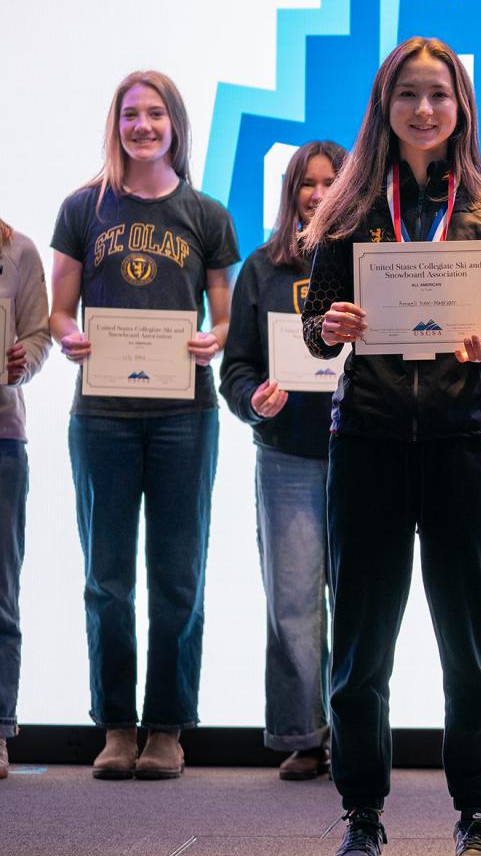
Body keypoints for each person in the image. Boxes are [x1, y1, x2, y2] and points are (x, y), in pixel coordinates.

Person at [299, 37, 481, 856]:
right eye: (410, 94)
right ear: (385, 105)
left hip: (462, 444)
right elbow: (315, 330)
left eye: (440, 95)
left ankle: (477, 816)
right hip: (364, 440)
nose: (426, 109)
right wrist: (331, 329)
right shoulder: (350, 210)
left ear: (462, 107)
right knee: (360, 643)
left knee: (470, 642)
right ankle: (361, 815)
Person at [49, 71, 239, 782]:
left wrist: (215, 339)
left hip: (184, 415)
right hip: (101, 416)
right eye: (131, 114)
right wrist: (69, 336)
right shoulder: (83, 208)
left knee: (178, 574)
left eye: (156, 114)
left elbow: (224, 314)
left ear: (175, 125)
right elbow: (60, 309)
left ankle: (167, 727)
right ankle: (117, 726)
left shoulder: (207, 214)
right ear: (117, 125)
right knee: (107, 578)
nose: (143, 126)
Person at [220, 140, 347, 780]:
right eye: (307, 183)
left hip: (362, 452)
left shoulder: (368, 260)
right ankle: (304, 735)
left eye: (332, 182)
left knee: (358, 604)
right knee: (294, 603)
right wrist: (254, 401)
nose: (319, 193)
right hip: (287, 457)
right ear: (291, 192)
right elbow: (236, 368)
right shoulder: (263, 269)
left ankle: (355, 735)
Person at [0, 216, 50, 780]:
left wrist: (26, 361)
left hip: (3, 439)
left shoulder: (18, 251)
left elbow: (37, 335)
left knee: (0, 593)